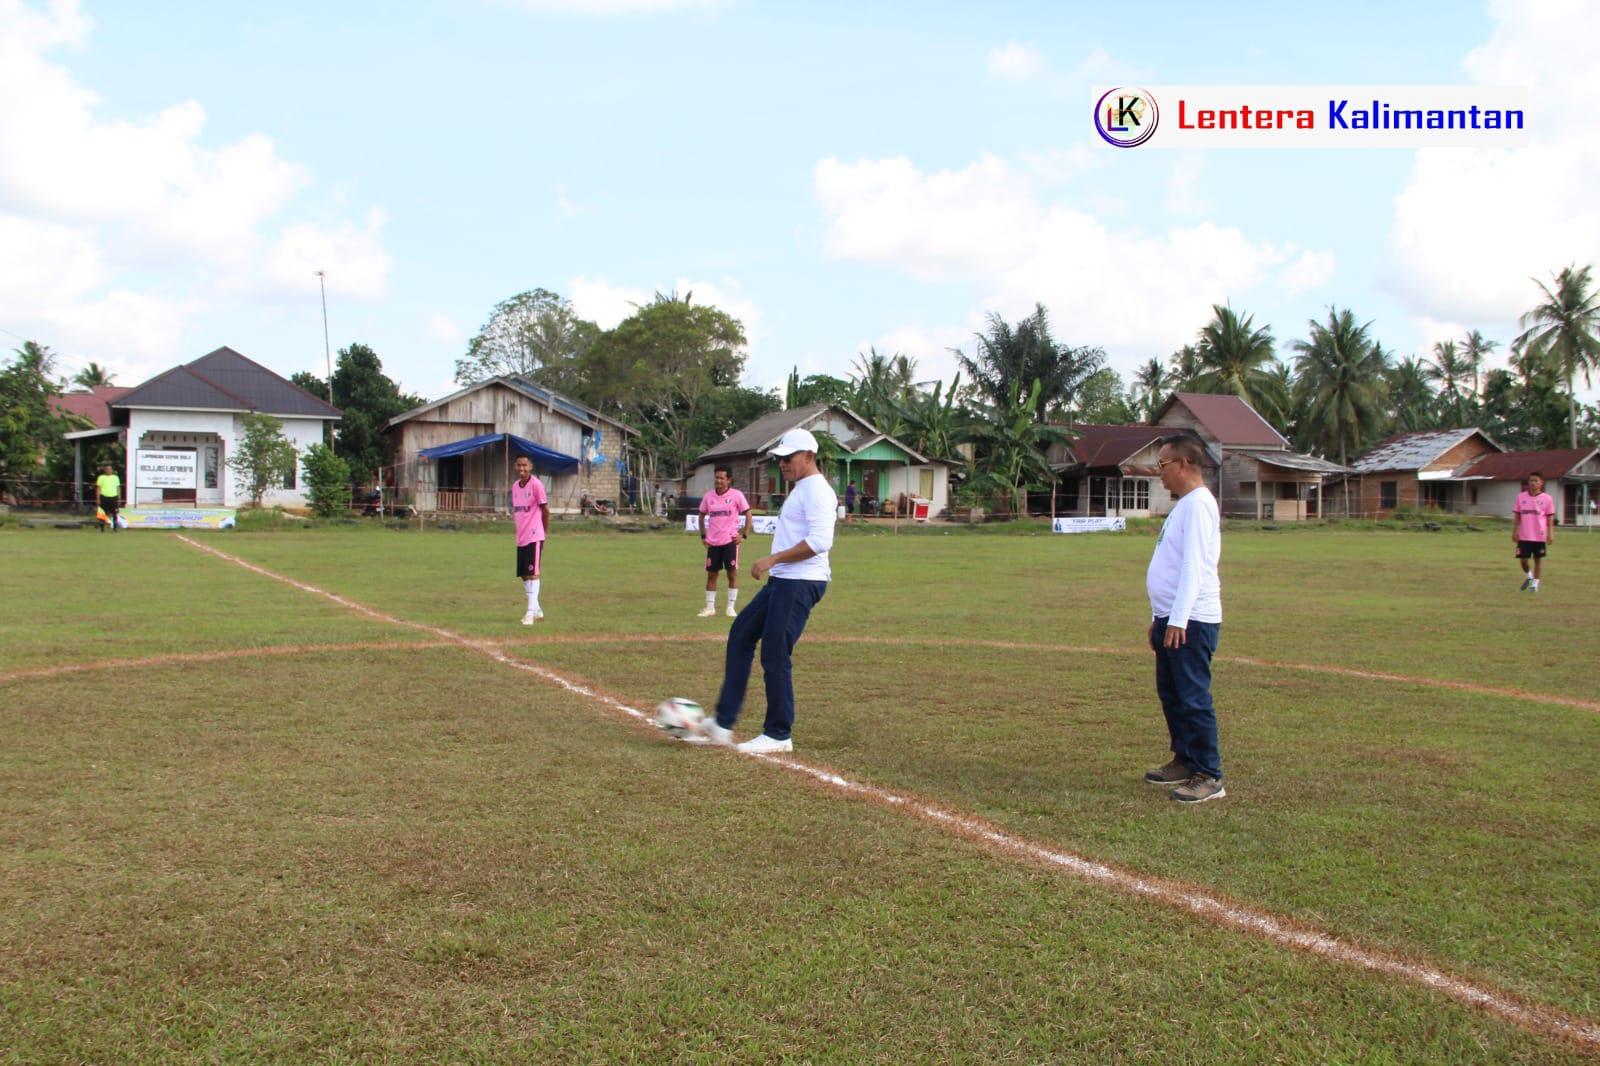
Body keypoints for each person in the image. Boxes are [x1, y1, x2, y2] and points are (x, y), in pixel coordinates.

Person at [689, 428, 836, 754]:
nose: (781, 464)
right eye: (779, 459)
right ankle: (723, 723)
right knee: (741, 633)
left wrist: (773, 559)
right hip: (784, 580)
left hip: (801, 581)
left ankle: (779, 733)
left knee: (774, 651)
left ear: (809, 457)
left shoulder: (818, 491)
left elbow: (821, 541)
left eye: (788, 458)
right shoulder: (801, 488)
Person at [1143, 435, 1225, 804]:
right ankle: (1184, 759)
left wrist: (1178, 619)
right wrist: (1159, 617)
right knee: (1172, 695)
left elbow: (1194, 565)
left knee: (1192, 698)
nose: (1159, 474)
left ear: (1184, 464)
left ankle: (1209, 775)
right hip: (1172, 618)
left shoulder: (1199, 505)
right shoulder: (1185, 505)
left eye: (1162, 466)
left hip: (1191, 621)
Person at [698, 464, 751, 617]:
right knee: (711, 575)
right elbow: (701, 516)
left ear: (729, 480)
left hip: (730, 542)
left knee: (732, 574)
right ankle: (710, 608)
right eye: (716, 478)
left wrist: (744, 535)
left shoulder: (737, 495)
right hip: (713, 543)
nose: (718, 481)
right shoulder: (708, 497)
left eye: (721, 478)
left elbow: (748, 515)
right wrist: (703, 535)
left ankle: (730, 607)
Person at [510, 455, 549, 624]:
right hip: (522, 536)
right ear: (515, 466)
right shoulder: (514, 487)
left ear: (531, 466)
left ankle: (530, 613)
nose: (521, 469)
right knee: (524, 575)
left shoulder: (536, 485)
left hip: (535, 535)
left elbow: (545, 510)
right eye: (519, 465)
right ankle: (538, 609)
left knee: (533, 573)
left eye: (525, 465)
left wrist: (544, 533)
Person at [1513, 472, 1556, 592]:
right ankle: (1529, 577)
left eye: (1536, 481)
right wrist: (1515, 531)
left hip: (1539, 535)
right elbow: (1517, 516)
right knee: (1523, 560)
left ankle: (1535, 583)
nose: (1533, 483)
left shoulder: (1547, 499)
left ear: (1541, 483)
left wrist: (1550, 533)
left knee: (1538, 560)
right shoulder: (1520, 497)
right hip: (1524, 535)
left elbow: (1550, 518)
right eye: (1531, 480)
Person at [95, 463, 121, 533]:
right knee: (102, 514)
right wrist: (98, 499)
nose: (109, 470)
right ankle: (102, 529)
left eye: (110, 469)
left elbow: (118, 488)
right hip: (104, 497)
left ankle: (115, 529)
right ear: (105, 470)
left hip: (113, 497)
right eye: (107, 469)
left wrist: (119, 498)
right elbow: (98, 488)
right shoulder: (101, 477)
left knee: (115, 514)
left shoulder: (115, 477)